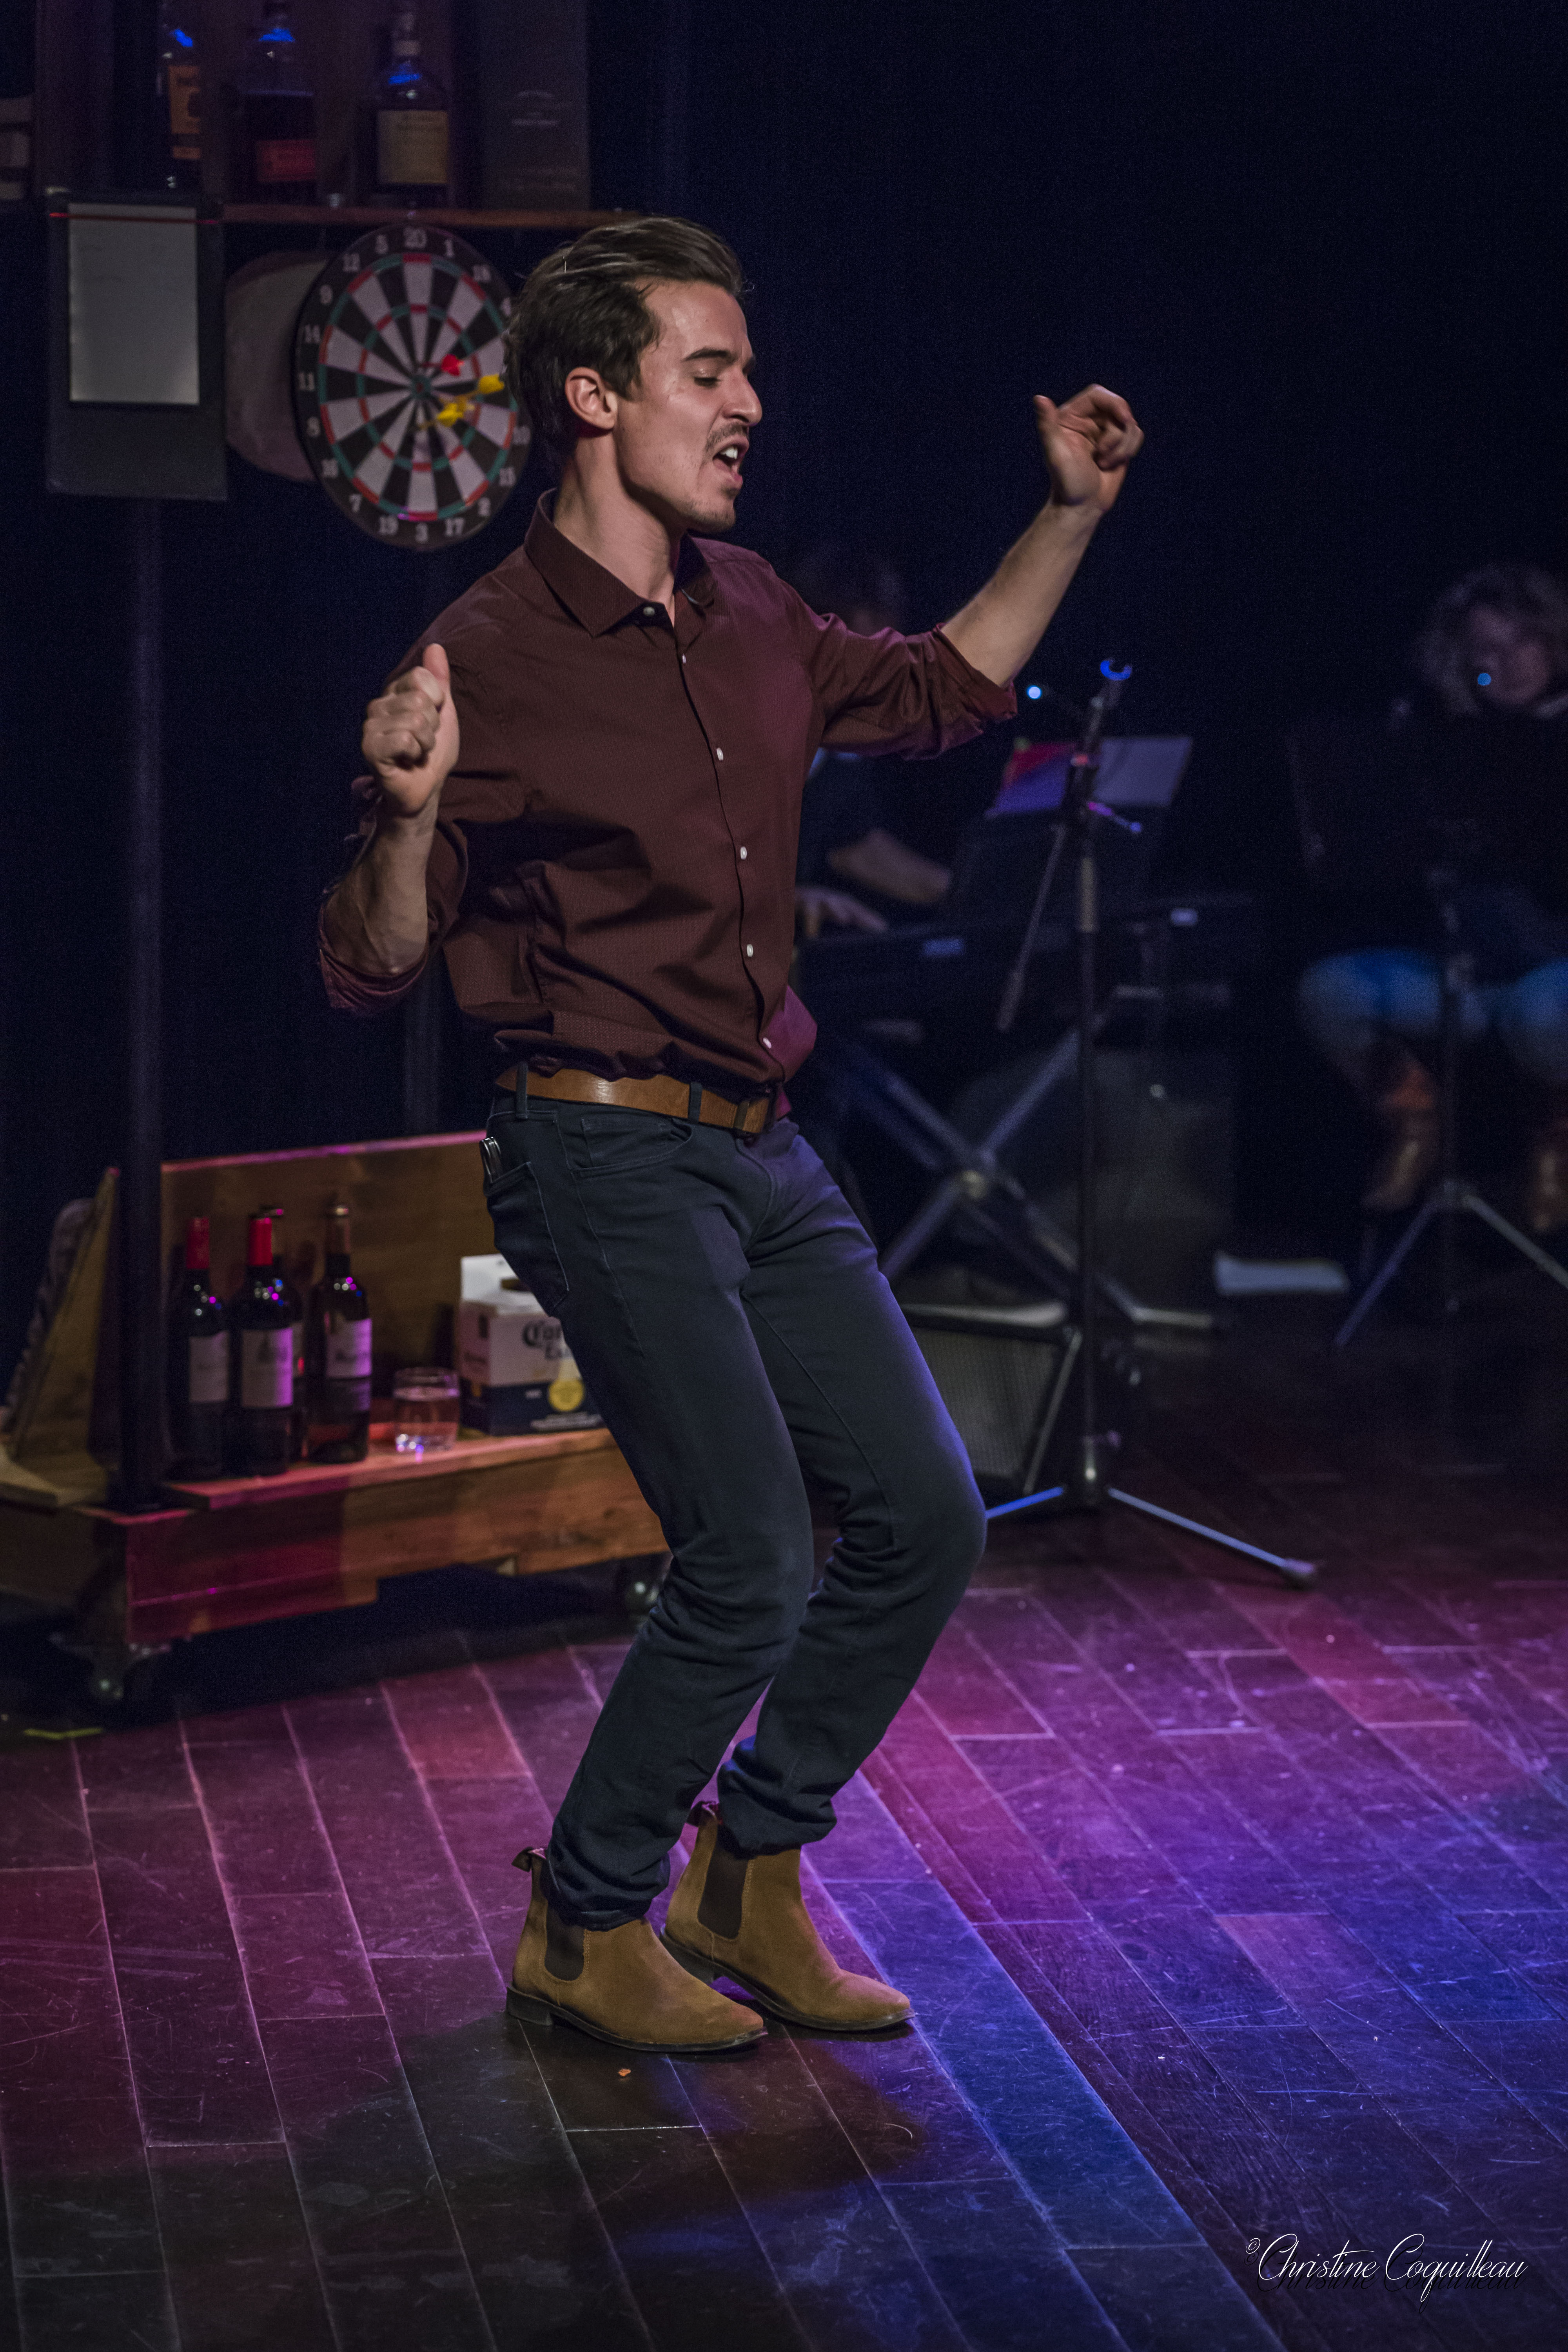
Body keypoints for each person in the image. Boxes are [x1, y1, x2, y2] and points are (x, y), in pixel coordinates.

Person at [320, 216, 1141, 2054]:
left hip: (759, 1139)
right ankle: (583, 1915)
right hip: (597, 1145)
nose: (750, 402)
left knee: (923, 1514)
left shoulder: (749, 603)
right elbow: (370, 965)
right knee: (751, 1550)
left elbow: (939, 689)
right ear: (592, 397)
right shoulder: (486, 651)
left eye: (747, 369)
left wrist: (1067, 515)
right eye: (710, 371)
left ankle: (748, 1873)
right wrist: (403, 820)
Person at [1297, 563, 1568, 1230]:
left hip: (1555, 969)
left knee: (1539, 1017)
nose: (1509, 663)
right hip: (1465, 972)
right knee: (1332, 991)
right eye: (1488, 651)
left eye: (1523, 642)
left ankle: (1556, 1143)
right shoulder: (1437, 743)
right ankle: (1414, 1121)